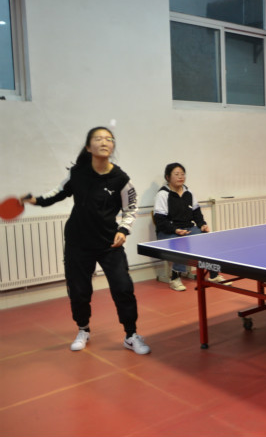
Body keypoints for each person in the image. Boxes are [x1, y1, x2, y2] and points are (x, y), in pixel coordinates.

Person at [21, 126, 150, 354]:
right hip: (78, 243)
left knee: (123, 287)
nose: (104, 142)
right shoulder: (77, 173)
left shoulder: (121, 179)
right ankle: (83, 329)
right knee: (79, 291)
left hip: (109, 243)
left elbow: (131, 207)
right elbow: (57, 193)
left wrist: (124, 229)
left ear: (112, 146)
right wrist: (36, 200)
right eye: (98, 138)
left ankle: (131, 335)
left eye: (109, 139)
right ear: (89, 147)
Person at [153, 163, 227, 291]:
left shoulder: (188, 192)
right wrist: (175, 230)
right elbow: (160, 220)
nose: (180, 177)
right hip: (168, 232)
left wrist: (202, 224)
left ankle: (213, 275)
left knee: (208, 238)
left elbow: (196, 212)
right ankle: (175, 278)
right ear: (168, 177)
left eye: (182, 174)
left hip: (187, 229)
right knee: (182, 242)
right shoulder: (163, 194)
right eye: (176, 174)